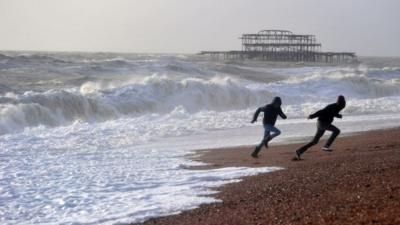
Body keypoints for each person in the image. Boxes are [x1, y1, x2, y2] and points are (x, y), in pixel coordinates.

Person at [293, 95, 346, 160]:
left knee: (315, 141)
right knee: (337, 131)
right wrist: (312, 116)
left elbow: (332, 113)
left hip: (321, 124)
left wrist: (338, 115)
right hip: (322, 123)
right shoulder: (332, 106)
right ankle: (326, 146)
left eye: (343, 107)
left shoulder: (337, 107)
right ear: (340, 103)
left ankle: (299, 151)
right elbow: (321, 111)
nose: (342, 108)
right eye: (342, 107)